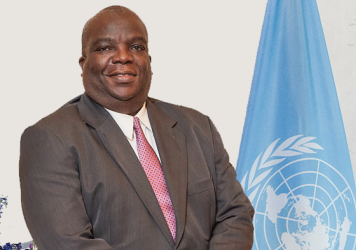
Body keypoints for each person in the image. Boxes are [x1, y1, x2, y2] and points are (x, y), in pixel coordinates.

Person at [19, 6, 254, 250]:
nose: (123, 57)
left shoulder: (197, 126)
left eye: (136, 47)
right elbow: (68, 244)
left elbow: (235, 214)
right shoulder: (49, 139)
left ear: (148, 61)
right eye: (104, 48)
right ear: (83, 63)